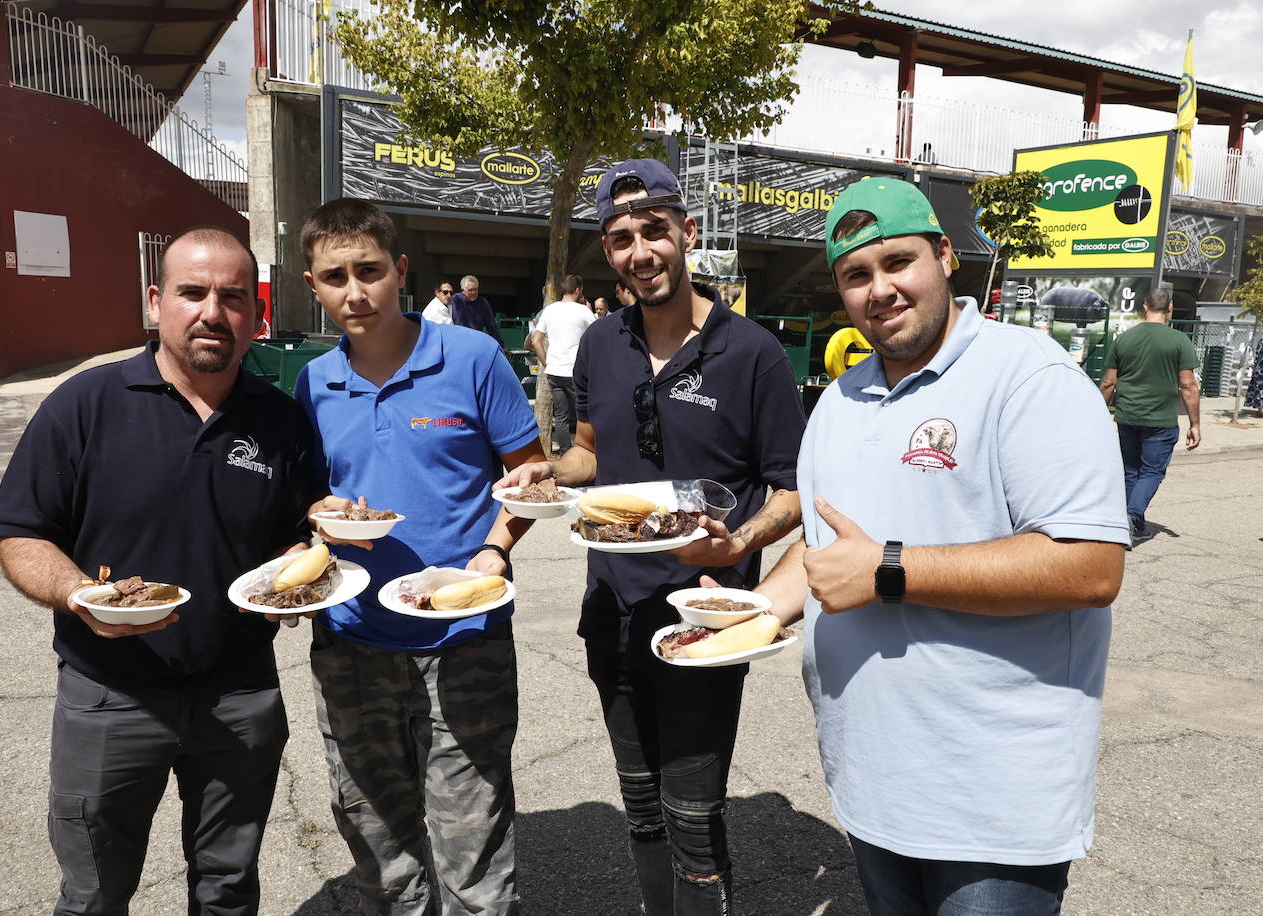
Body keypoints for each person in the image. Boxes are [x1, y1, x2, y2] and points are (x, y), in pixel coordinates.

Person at [752, 177, 1128, 916]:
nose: (880, 289)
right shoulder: (839, 401)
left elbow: (1090, 565)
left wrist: (891, 571)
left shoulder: (1028, 376)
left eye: (898, 263)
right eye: (856, 275)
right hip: (870, 780)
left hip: (989, 798)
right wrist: (747, 609)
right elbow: (832, 546)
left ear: (946, 256)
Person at [498, 158, 804, 914]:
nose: (642, 252)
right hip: (615, 605)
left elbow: (795, 493)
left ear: (686, 233)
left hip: (706, 613)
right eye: (623, 238)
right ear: (608, 252)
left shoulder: (753, 352)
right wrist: (550, 474)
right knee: (640, 809)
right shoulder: (602, 342)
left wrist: (737, 545)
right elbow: (594, 451)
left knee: (693, 819)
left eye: (655, 232)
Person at [0, 227, 315, 914]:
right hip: (110, 696)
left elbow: (298, 539)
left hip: (239, 694)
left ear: (255, 317)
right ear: (154, 301)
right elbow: (21, 535)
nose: (212, 312)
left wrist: (296, 580)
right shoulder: (87, 405)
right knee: (93, 894)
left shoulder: (283, 421)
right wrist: (79, 594)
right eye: (191, 292)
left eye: (232, 297)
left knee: (227, 889)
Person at [295, 198, 544, 914]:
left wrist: (497, 548)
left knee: (475, 851)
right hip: (351, 644)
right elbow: (309, 496)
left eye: (369, 271)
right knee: (378, 848)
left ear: (399, 271)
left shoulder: (471, 357)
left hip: (465, 637)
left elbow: (531, 472)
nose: (355, 292)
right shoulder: (313, 383)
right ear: (312, 287)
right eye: (335, 277)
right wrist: (319, 514)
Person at [1099, 289, 1201, 541]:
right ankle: (1131, 517)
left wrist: (1098, 415)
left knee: (1130, 471)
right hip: (1160, 419)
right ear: (1171, 308)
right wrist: (1195, 424)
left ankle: (1136, 524)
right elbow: (1188, 386)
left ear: (1145, 307)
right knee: (1152, 472)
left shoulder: (1123, 339)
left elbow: (1108, 383)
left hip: (1127, 416)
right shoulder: (1179, 340)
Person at [529, 273, 596, 454]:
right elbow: (598, 335)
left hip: (554, 370)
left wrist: (546, 362)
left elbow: (536, 341)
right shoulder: (583, 311)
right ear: (577, 290)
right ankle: (588, 451)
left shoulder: (550, 310)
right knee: (586, 414)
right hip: (576, 371)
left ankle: (565, 452)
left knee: (561, 416)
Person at [450, 273, 507, 349]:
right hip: (458, 342)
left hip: (476, 342)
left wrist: (500, 346)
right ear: (463, 290)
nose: (473, 293)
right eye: (470, 290)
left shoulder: (483, 303)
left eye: (476, 289)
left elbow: (491, 326)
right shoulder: (455, 300)